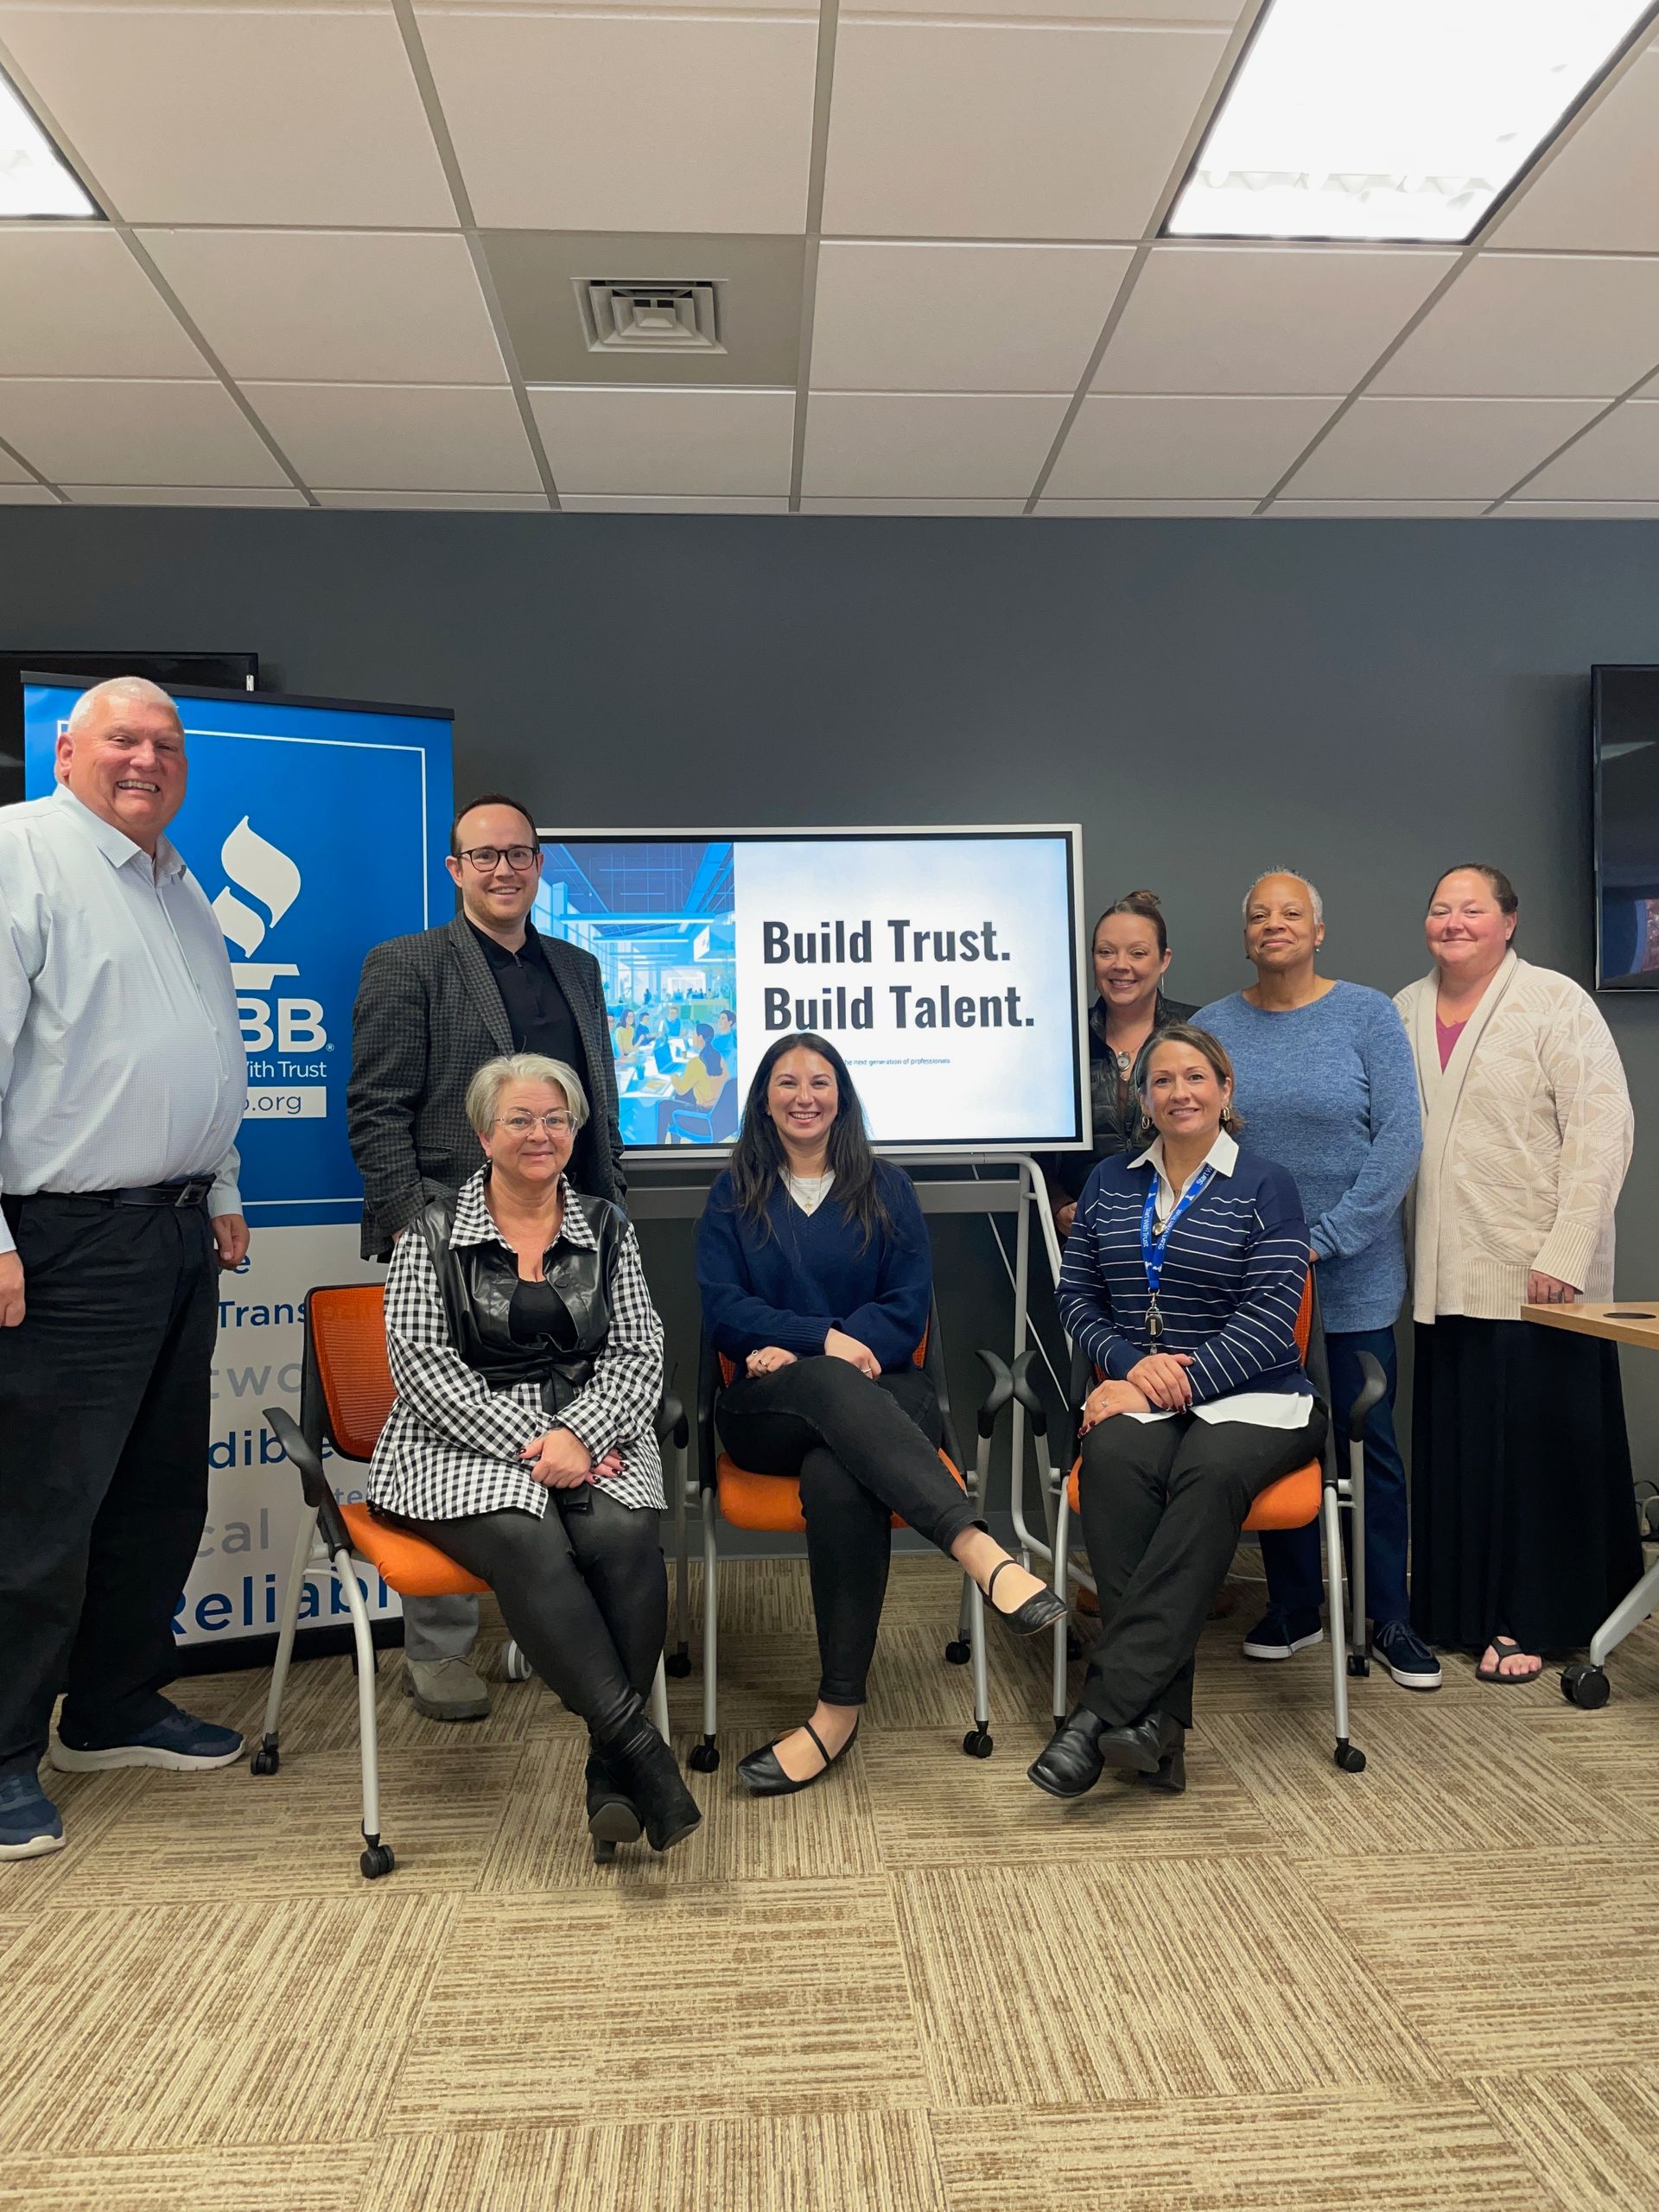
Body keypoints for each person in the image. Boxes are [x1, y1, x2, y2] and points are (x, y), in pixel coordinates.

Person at [0, 676, 250, 1861]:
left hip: (176, 1231)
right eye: (122, 739)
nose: (145, 759)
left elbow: (207, 1053)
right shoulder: (21, 855)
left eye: (165, 743)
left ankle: (109, 1705)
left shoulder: (177, 884)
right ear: (66, 749)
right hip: (63, 1241)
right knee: (39, 1510)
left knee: (156, 1495)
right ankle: (3, 1748)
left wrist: (223, 1188)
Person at [696, 1032, 1067, 1796]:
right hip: (765, 1410)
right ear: (762, 1100)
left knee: (839, 1474)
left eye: (820, 1081)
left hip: (889, 1394)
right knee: (826, 1388)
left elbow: (905, 1310)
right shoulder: (733, 1192)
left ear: (842, 1097)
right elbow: (725, 1310)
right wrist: (823, 1343)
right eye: (787, 1082)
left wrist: (813, 1348)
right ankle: (977, 1548)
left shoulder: (886, 1186)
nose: (804, 1096)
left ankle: (836, 1711)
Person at [370, 1052, 699, 1854]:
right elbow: (425, 1375)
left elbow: (639, 1353)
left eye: (555, 1119)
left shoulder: (608, 1227)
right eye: (519, 1119)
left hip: (593, 1435)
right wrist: (540, 1447)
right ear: (484, 1136)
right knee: (529, 1536)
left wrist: (581, 1436)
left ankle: (610, 1767)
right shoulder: (431, 1234)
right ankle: (643, 1750)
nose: (540, 1134)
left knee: (625, 1536)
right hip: (454, 1446)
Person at [347, 792, 625, 1725]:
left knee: (571, 1420)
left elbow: (598, 1110)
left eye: (519, 854)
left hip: (573, 1238)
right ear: (455, 869)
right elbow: (377, 1109)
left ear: (539, 864)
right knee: (457, 1428)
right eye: (484, 855)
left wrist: (613, 1211)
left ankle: (548, 1627)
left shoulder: (578, 968)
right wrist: (413, 1232)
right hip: (456, 1242)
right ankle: (438, 1647)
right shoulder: (409, 964)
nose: (504, 869)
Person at [1030, 1026, 1327, 1800]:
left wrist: (1164, 1387)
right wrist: (1132, 1368)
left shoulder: (1267, 1185)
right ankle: (1156, 1730)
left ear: (1226, 1091)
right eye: (1161, 1081)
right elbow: (1077, 1296)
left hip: (1259, 1396)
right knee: (1114, 1465)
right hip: (1144, 1390)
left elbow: (1273, 1319)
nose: (1179, 1093)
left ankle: (1099, 1712)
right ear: (1143, 1099)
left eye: (1196, 1077)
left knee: (1207, 1473)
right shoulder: (1110, 1182)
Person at [1395, 866, 1640, 1686]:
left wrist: (1566, 1250)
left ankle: (1533, 1616)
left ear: (1509, 922)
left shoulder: (1555, 1001)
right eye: (1440, 908)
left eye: (1472, 909)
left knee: (1537, 1457)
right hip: (1446, 1269)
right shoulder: (1403, 1009)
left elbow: (1603, 1128)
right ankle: (1458, 1611)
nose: (1453, 922)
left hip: (1538, 1269)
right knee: (1462, 1450)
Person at [1198, 870, 1431, 1689]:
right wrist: (1254, 1251)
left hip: (1355, 1274)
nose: (1274, 924)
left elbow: (1400, 1137)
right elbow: (1199, 1142)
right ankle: (1296, 1606)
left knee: (1371, 1444)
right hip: (1254, 1286)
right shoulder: (1213, 1027)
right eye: (1258, 914)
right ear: (1246, 935)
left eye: (1291, 912)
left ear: (1319, 930)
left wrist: (1324, 1240)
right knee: (1274, 1437)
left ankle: (1388, 1615)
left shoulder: (1367, 1015)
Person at [1041, 893, 1195, 1237]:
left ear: (1164, 959)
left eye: (1137, 953)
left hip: (1185, 1232)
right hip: (1084, 1236)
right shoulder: (1062, 1039)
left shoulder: (1195, 1033)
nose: (1120, 965)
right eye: (1106, 952)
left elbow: (1225, 1136)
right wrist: (1057, 1205)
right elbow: (1038, 1146)